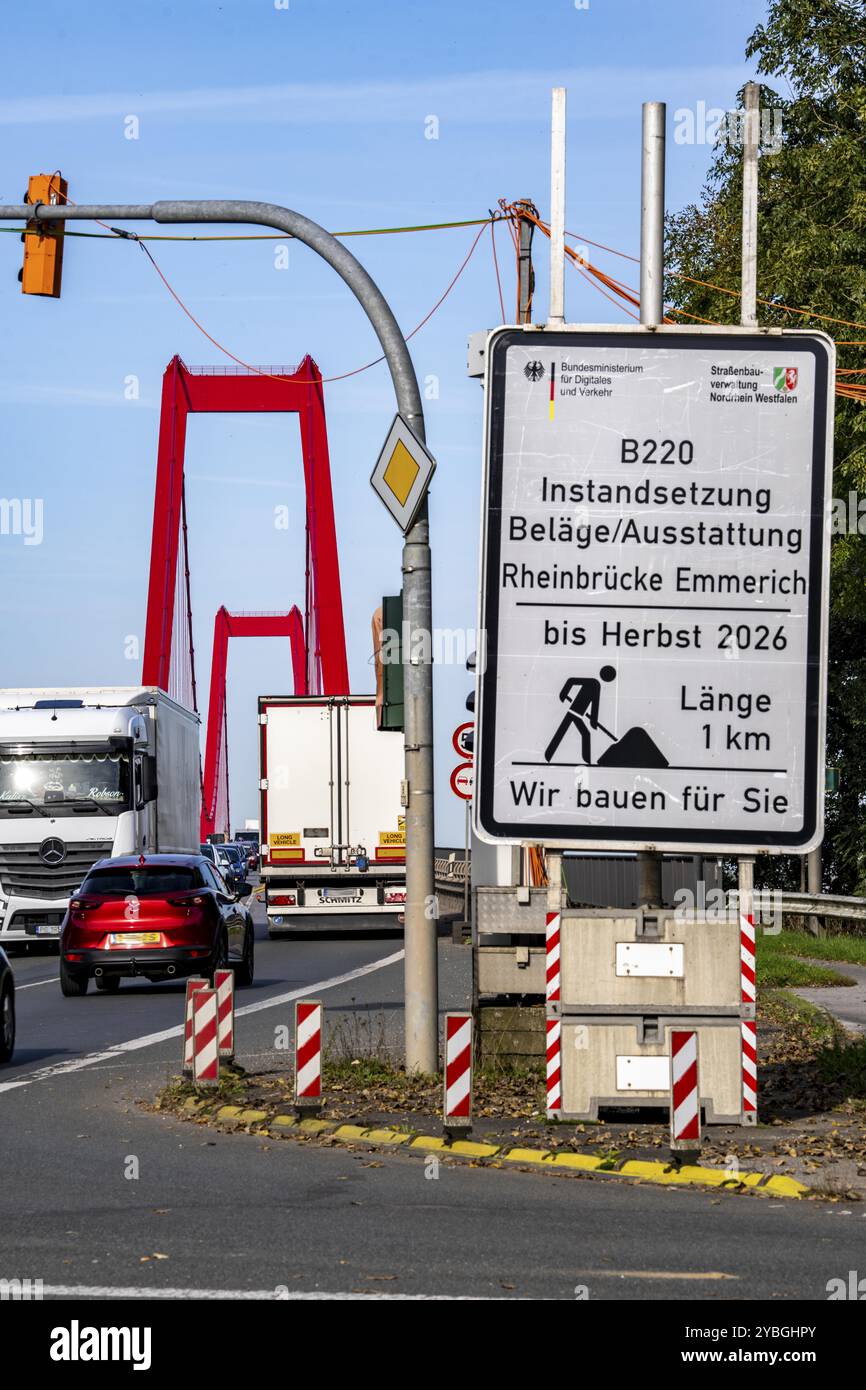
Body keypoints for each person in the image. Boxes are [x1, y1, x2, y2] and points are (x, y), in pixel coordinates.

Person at [544, 666, 616, 764]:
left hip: (577, 715)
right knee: (581, 733)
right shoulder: (593, 683)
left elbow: (595, 705)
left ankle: (549, 755)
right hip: (574, 713)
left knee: (566, 731)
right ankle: (549, 755)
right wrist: (563, 694)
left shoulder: (596, 684)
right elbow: (571, 681)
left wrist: (593, 721)